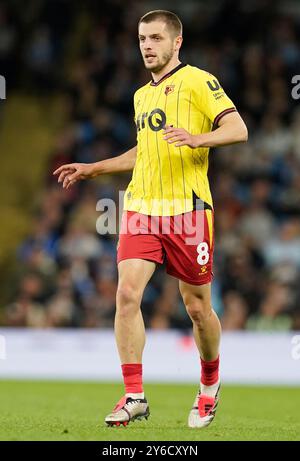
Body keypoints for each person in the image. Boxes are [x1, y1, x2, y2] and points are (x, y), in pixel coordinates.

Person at [54, 9, 248, 428]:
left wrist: (199, 137)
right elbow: (144, 152)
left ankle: (210, 384)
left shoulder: (198, 81)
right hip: (142, 208)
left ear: (177, 42)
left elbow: (238, 129)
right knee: (126, 294)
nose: (147, 45)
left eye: (156, 38)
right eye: (142, 38)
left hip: (190, 210)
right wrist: (94, 168)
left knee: (197, 308)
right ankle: (134, 395)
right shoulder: (142, 95)